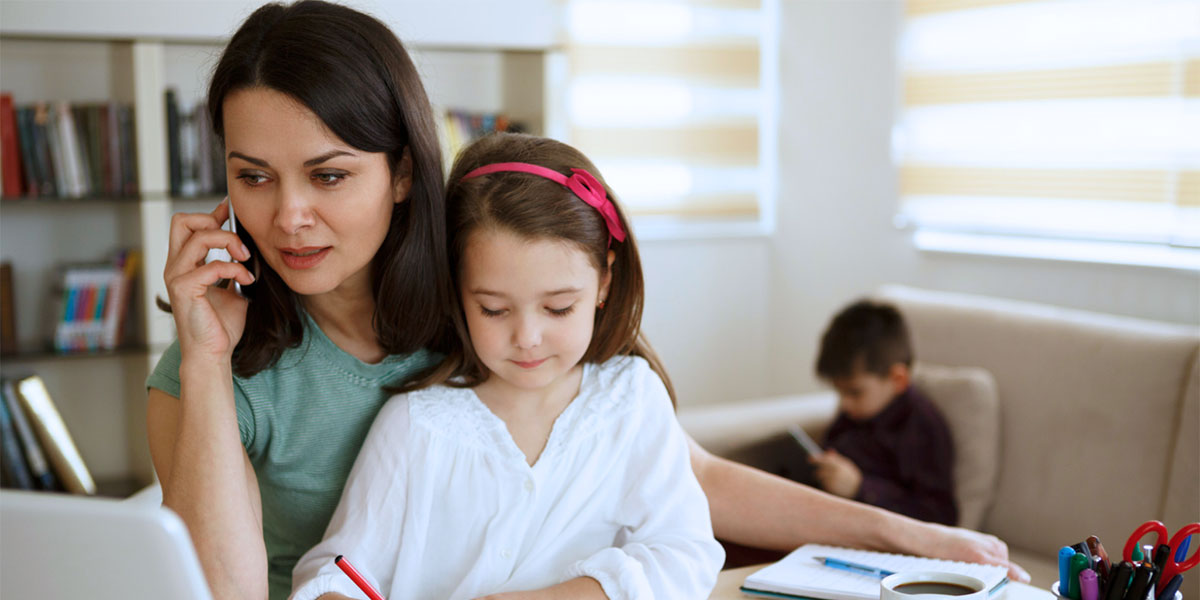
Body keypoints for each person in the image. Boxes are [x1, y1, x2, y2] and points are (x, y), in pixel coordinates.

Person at [146, 3, 1027, 599]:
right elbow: (216, 592)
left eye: (329, 175)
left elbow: (692, 479)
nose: (288, 217)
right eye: (251, 176)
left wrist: (907, 535)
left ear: (405, 170)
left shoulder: (487, 306)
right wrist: (211, 360)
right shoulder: (213, 356)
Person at [290, 132, 724, 600]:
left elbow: (684, 554)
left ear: (604, 282)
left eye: (558, 308)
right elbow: (337, 572)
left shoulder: (631, 401)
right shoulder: (417, 424)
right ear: (457, 292)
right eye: (494, 310)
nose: (527, 338)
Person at [808, 300, 957, 525]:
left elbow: (939, 514)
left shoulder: (921, 425)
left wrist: (860, 487)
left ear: (897, 379)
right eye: (839, 393)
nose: (845, 404)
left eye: (855, 393)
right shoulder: (854, 415)